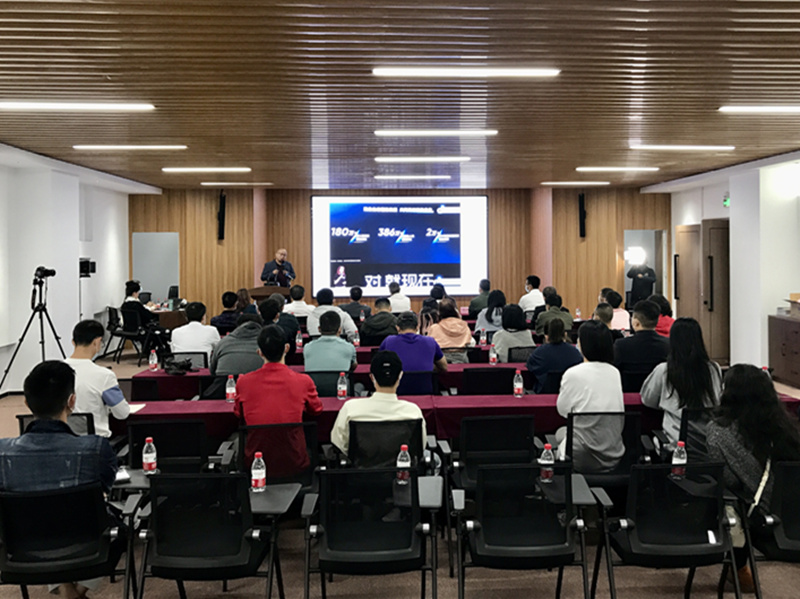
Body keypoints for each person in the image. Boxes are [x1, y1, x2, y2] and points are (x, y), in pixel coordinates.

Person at [0, 361, 120, 599]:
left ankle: (67, 591)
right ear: (72, 401)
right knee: (118, 527)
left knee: (45, 524)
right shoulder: (96, 448)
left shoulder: (3, 453)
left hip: (21, 549)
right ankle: (75, 593)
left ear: (26, 403)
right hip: (89, 547)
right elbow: (104, 489)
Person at [707, 364, 800, 591]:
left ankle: (739, 567)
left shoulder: (719, 432)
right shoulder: (787, 428)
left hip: (764, 524)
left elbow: (728, 480)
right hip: (793, 517)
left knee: (729, 504)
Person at [234, 325, 322, 471]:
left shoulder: (243, 382)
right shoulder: (303, 381)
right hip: (295, 463)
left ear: (259, 352)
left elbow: (239, 413)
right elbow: (316, 410)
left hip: (256, 466)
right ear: (286, 348)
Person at [640, 317, 722, 448]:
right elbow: (717, 401)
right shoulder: (713, 369)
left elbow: (647, 400)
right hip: (708, 444)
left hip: (675, 445)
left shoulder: (664, 370)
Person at [555, 321, 624, 472]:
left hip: (581, 455)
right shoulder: (614, 372)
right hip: (613, 455)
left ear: (582, 344)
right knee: (562, 433)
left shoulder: (573, 373)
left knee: (560, 434)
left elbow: (563, 410)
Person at [330, 351, 427, 454]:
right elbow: (420, 446)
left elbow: (339, 443)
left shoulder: (350, 409)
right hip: (402, 464)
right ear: (400, 376)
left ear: (372, 377)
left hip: (362, 464)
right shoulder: (413, 412)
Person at [64, 320, 131, 438]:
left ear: (73, 342)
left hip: (63, 440)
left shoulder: (54, 371)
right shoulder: (104, 376)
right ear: (97, 342)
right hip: (95, 442)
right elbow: (122, 413)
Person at [613, 300, 670, 391]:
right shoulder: (668, 345)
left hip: (627, 396)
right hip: (659, 396)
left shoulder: (621, 345)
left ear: (636, 323)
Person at [526, 319, 583, 393]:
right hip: (570, 392)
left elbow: (529, 367)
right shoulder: (575, 353)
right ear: (565, 334)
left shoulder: (539, 353)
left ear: (547, 336)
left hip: (544, 394)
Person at [380, 311, 448, 373]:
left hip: (397, 382)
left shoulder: (388, 341)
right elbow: (444, 366)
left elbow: (378, 364)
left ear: (397, 328)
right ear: (417, 327)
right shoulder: (430, 341)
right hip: (424, 382)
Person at [209, 313, 265, 377]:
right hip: (259, 381)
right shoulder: (267, 343)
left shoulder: (223, 342)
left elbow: (212, 371)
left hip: (224, 382)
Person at [427, 298, 475, 364]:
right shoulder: (463, 325)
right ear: (455, 310)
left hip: (440, 362)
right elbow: (471, 343)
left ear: (439, 312)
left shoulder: (434, 328)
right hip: (461, 360)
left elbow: (429, 346)